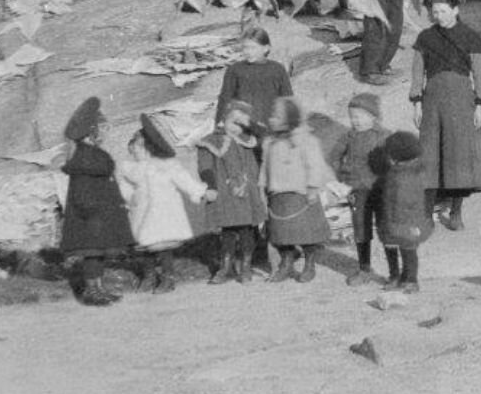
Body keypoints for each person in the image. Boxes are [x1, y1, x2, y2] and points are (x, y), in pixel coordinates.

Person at [409, 0, 481, 232]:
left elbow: (478, 74)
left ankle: (456, 212)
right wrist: (417, 103)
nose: (439, 16)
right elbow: (417, 73)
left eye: (444, 11)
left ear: (456, 10)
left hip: (461, 102)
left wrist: (479, 105)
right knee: (430, 156)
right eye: (435, 12)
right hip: (432, 102)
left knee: (458, 157)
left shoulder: (471, 37)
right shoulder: (425, 38)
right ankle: (426, 215)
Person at [116, 115, 214, 294]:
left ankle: (168, 277)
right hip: (142, 212)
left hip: (164, 213)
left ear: (148, 148)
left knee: (163, 245)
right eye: (134, 149)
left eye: (138, 148)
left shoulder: (166, 165)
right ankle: (149, 275)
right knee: (145, 246)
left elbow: (184, 180)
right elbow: (126, 188)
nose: (135, 152)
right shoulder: (133, 169)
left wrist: (199, 191)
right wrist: (126, 200)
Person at [57, 97, 134, 306]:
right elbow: (81, 188)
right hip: (90, 216)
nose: (106, 132)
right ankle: (92, 290)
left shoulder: (93, 154)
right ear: (92, 131)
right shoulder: (85, 156)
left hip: (99, 214)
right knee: (92, 255)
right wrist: (90, 209)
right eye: (103, 128)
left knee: (97, 255)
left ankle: (99, 287)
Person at [260, 95, 337, 283]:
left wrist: (312, 188)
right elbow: (264, 166)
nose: (272, 120)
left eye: (276, 117)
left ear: (290, 118)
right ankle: (286, 263)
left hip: (301, 195)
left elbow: (315, 165)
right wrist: (262, 185)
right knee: (280, 234)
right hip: (278, 195)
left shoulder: (306, 140)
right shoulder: (270, 142)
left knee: (306, 234)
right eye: (272, 116)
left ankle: (309, 264)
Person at [197, 99, 266, 284]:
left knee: (246, 230)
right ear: (223, 119)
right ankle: (225, 266)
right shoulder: (212, 141)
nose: (237, 128)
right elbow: (205, 166)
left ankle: (245, 266)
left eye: (241, 124)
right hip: (225, 193)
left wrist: (251, 127)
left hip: (247, 193)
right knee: (227, 231)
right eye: (233, 122)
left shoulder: (249, 141)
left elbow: (264, 144)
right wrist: (210, 185)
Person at [328, 92, 390, 286]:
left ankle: (395, 274)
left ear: (373, 116)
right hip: (358, 191)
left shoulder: (384, 136)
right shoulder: (349, 136)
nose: (355, 121)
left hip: (381, 191)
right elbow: (333, 157)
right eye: (352, 116)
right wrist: (342, 176)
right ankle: (364, 269)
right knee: (360, 229)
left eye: (360, 116)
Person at [369, 130, 434, 294]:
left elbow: (410, 202)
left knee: (408, 251)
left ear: (396, 157)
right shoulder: (396, 172)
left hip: (407, 222)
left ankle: (410, 279)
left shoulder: (411, 175)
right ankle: (396, 276)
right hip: (391, 220)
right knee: (394, 248)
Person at [216, 27, 294, 160]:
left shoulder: (277, 69)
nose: (247, 52)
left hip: (269, 128)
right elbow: (225, 98)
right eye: (245, 48)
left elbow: (287, 99)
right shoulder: (235, 70)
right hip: (243, 127)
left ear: (266, 48)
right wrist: (219, 123)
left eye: (252, 48)